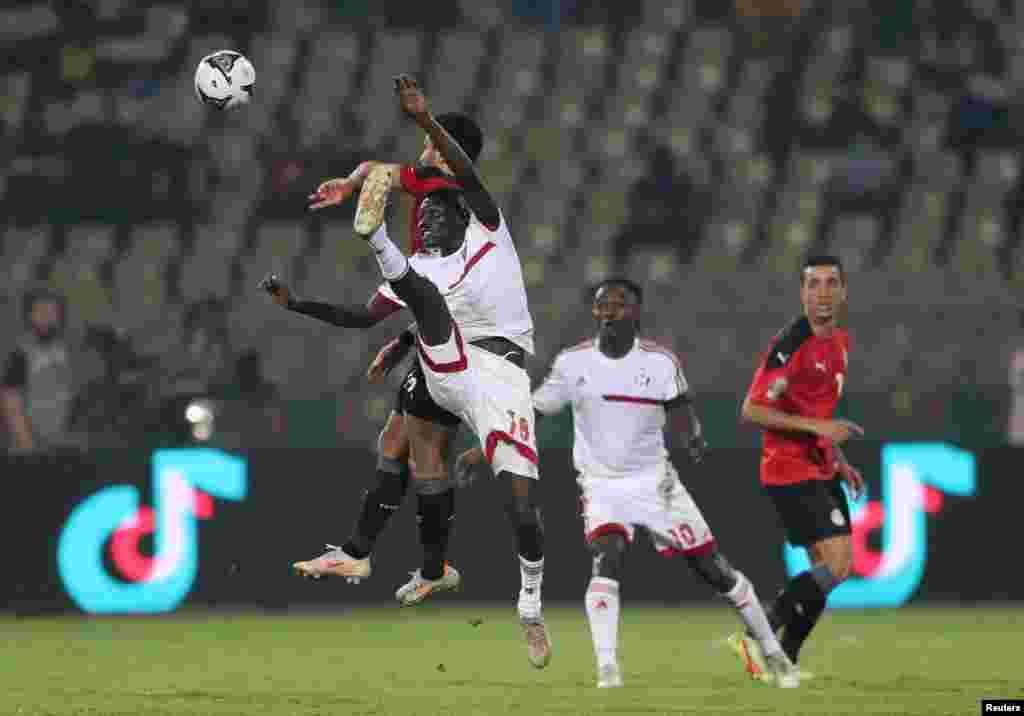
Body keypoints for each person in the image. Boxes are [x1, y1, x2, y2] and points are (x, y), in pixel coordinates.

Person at [313, 74, 550, 668]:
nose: (419, 159)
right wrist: (351, 182)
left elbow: (432, 174)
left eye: (429, 151)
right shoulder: (433, 237)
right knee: (400, 441)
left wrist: (424, 120)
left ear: (447, 154)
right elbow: (385, 181)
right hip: (450, 357)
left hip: (499, 371)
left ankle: (527, 604)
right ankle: (382, 555)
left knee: (519, 504)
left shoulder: (485, 216)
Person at [456, 279, 798, 689]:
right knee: (607, 556)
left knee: (715, 570)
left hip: (656, 482)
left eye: (619, 304)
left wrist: (692, 434)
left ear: (636, 313)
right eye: (603, 304)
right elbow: (532, 411)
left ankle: (773, 651)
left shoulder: (659, 363)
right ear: (595, 313)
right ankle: (607, 669)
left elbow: (682, 407)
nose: (609, 311)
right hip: (601, 484)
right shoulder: (573, 363)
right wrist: (485, 449)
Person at [729, 254, 865, 681]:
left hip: (821, 467)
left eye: (831, 283)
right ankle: (757, 630)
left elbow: (815, 405)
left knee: (823, 571)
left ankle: (784, 658)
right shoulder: (791, 344)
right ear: (802, 292)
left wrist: (838, 458)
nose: (822, 292)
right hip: (789, 469)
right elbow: (751, 409)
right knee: (839, 565)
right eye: (813, 284)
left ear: (843, 291)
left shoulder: (840, 341)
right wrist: (819, 427)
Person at [1, 289, 76, 453]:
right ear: (29, 316)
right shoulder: (20, 354)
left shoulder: (64, 352)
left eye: (52, 313)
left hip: (58, 444)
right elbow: (10, 403)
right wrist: (27, 445)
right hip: (29, 448)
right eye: (41, 312)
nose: (47, 318)